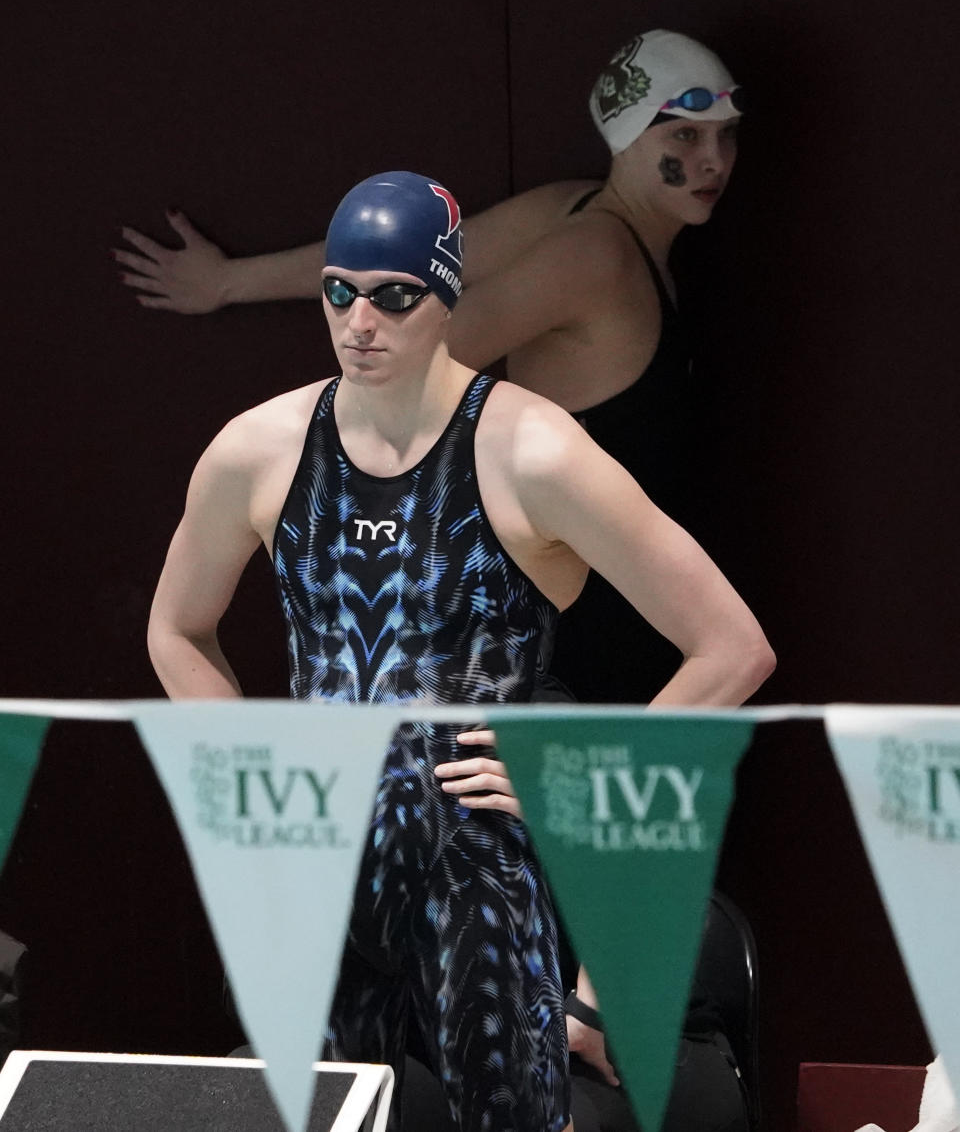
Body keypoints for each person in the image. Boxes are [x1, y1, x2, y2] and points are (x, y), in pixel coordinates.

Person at [147, 170, 773, 1132]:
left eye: (394, 295)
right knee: (316, 1119)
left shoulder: (534, 453)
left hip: (478, 881)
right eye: (340, 291)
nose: (361, 320)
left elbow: (731, 648)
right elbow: (176, 631)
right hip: (327, 873)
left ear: (445, 299)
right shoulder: (257, 451)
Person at [118, 27, 741, 704]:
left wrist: (234, 281)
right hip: (570, 622)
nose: (713, 160)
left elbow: (411, 269)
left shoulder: (573, 213)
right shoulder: (595, 256)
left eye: (725, 134)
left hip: (588, 602)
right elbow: (402, 300)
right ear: (626, 137)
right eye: (684, 135)